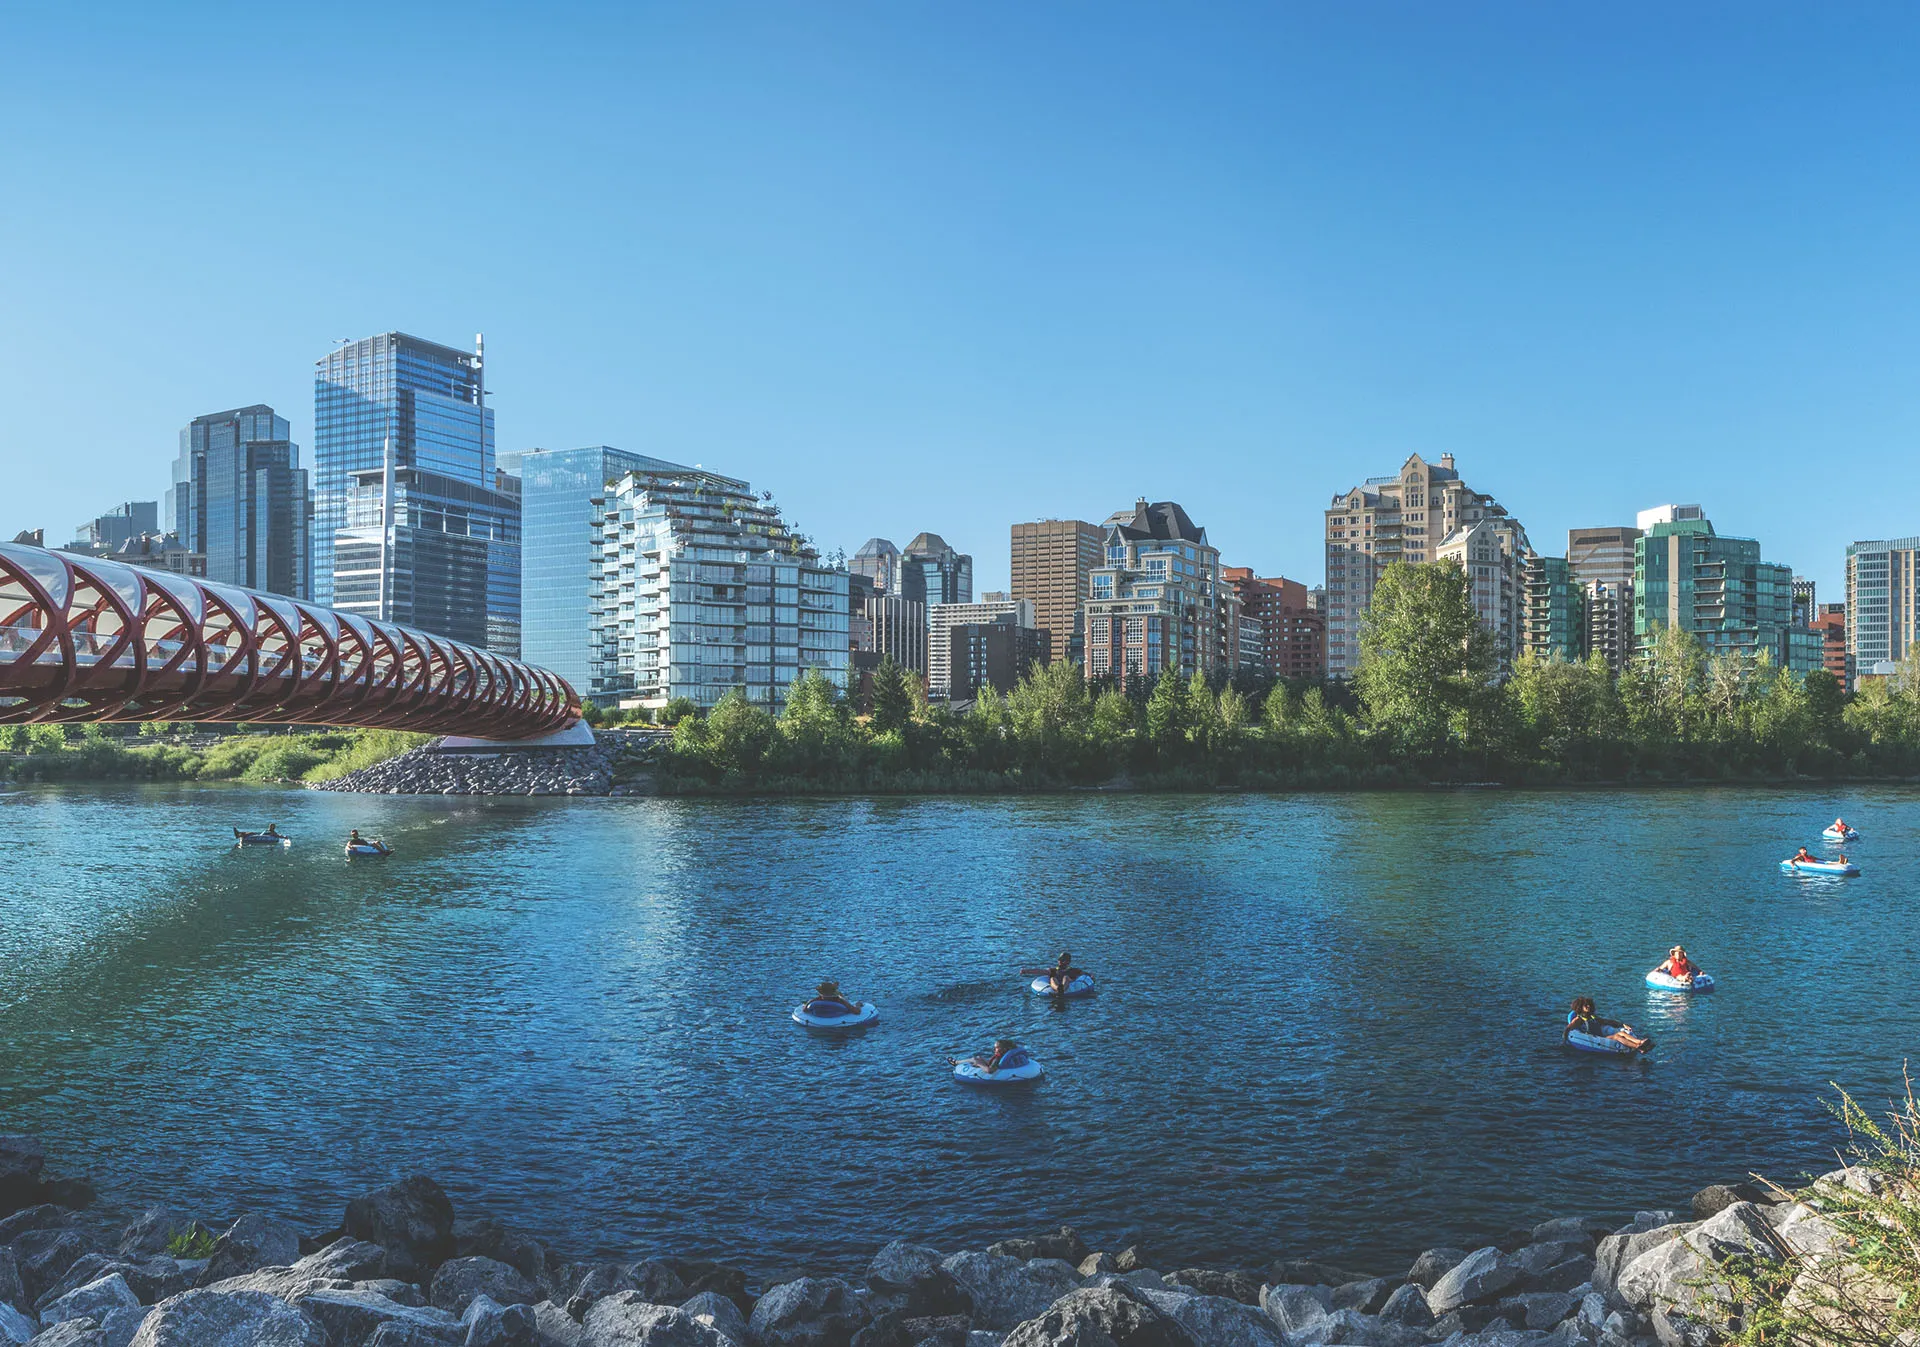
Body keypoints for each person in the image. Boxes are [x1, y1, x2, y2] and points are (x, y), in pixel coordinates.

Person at [1566, 996, 1648, 1051]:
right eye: (1585, 1005)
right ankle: (1638, 1047)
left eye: (1589, 1005)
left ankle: (1639, 1042)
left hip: (1601, 1036)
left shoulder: (1593, 1017)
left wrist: (1622, 1025)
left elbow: (1607, 1021)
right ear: (1580, 1007)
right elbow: (1568, 1028)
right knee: (1617, 1037)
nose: (1588, 1006)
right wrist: (1565, 1041)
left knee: (1622, 1033)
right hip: (1594, 1038)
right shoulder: (1579, 1019)